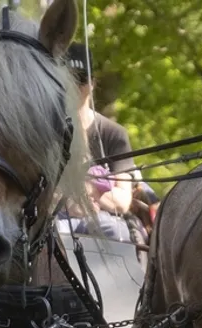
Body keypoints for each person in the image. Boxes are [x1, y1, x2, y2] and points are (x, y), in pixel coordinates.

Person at [58, 42, 137, 242]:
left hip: (101, 222)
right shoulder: (45, 130)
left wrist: (89, 191)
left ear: (92, 83)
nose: (75, 87)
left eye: (81, 79)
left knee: (116, 232)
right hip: (56, 218)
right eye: (69, 78)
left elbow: (122, 202)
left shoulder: (114, 134)